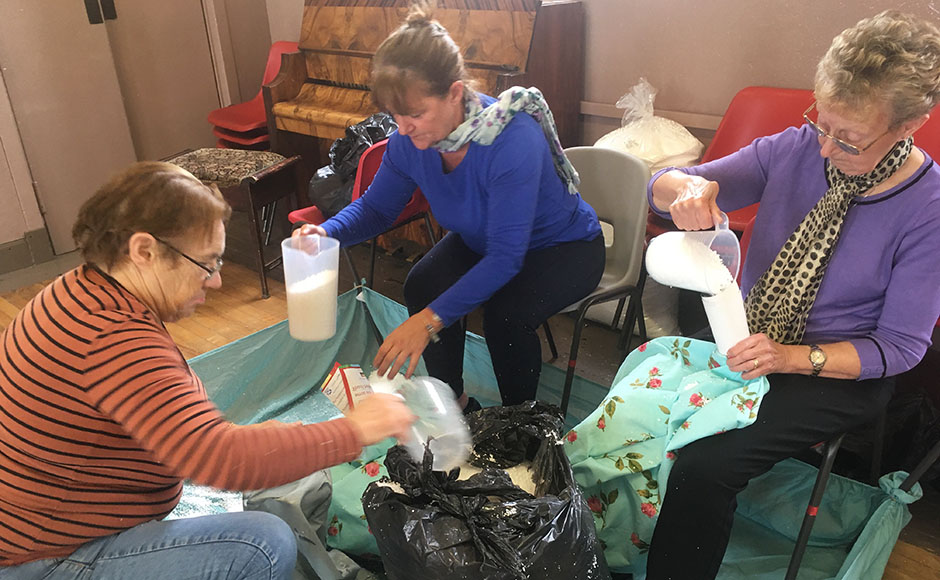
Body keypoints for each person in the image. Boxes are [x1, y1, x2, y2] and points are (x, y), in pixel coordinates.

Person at [0, 162, 414, 579]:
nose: (215, 281)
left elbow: (190, 432)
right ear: (144, 251)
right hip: (43, 557)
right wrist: (356, 431)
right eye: (207, 263)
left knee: (269, 460)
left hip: (42, 525)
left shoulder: (78, 291)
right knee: (263, 545)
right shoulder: (113, 339)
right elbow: (220, 460)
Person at [645, 11, 940, 579]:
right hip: (753, 333)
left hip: (838, 369)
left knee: (704, 466)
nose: (825, 149)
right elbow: (667, 189)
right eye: (822, 122)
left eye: (849, 138)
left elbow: (900, 347)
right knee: (649, 411)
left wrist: (787, 359)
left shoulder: (926, 210)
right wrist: (683, 189)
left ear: (910, 125)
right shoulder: (796, 148)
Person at [295, 2, 605, 411]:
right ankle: (455, 406)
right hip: (488, 241)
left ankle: (521, 426)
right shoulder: (410, 141)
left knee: (505, 317)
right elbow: (376, 209)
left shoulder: (513, 140)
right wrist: (327, 232)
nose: (402, 129)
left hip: (564, 248)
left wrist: (426, 323)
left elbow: (506, 258)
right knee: (423, 286)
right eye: (394, 115)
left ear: (455, 93)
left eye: (416, 114)